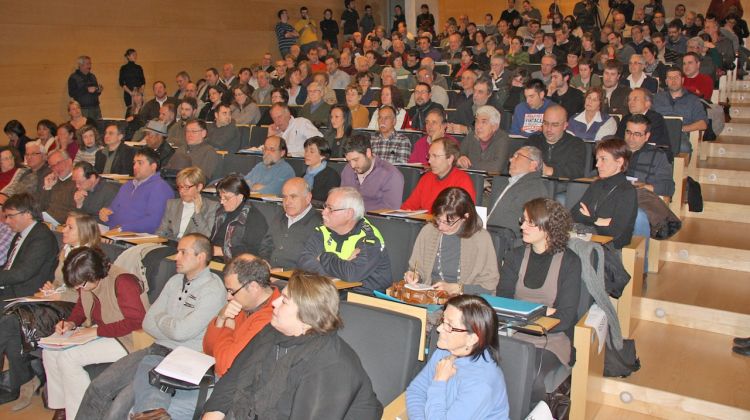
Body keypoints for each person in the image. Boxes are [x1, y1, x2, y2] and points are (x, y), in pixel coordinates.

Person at [76, 234, 225, 420]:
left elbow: (181, 333)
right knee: (98, 387)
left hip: (182, 357)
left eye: (182, 252)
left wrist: (162, 318)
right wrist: (170, 323)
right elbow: (147, 323)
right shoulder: (174, 281)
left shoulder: (213, 289)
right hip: (154, 349)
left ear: (201, 256)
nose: (176, 257)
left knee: (122, 404)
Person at [202, 271, 382, 419]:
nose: (274, 303)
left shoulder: (331, 364)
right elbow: (233, 379)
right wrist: (212, 414)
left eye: (285, 301)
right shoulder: (272, 331)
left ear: (307, 317)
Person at [43, 247, 148, 420]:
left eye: (81, 285)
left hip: (128, 339)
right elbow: (82, 306)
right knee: (50, 351)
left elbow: (136, 321)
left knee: (68, 358)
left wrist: (96, 331)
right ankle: (62, 408)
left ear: (96, 274)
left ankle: (83, 414)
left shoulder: (123, 281)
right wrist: (71, 323)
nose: (79, 288)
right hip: (103, 332)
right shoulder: (87, 279)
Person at [497, 197, 582, 404]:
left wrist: (522, 313)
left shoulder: (570, 262)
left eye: (530, 222)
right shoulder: (515, 256)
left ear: (548, 227)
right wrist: (542, 312)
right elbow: (503, 302)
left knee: (530, 376)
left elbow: (565, 317)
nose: (522, 226)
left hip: (550, 341)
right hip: (512, 334)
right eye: (523, 220)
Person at [406, 294, 509, 419]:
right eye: (443, 320)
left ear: (471, 339)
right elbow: (416, 391)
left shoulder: (481, 384)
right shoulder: (447, 351)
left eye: (449, 325)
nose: (439, 329)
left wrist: (439, 381)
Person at [0, 194, 58, 404]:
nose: (6, 221)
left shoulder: (41, 237)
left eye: (10, 216)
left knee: (5, 324)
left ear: (27, 214)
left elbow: (23, 273)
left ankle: (15, 383)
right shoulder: (22, 233)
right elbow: (9, 268)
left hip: (30, 296)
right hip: (12, 289)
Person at [404, 187, 499, 295]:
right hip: (429, 296)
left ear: (465, 217)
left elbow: (489, 285)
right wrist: (414, 275)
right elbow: (417, 268)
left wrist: (459, 289)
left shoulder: (481, 239)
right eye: (438, 219)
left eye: (448, 222)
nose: (440, 226)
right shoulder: (428, 231)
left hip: (465, 301)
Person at [298, 187, 391, 294]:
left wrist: (323, 257)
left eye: (330, 209)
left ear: (349, 214)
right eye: (325, 207)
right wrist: (341, 267)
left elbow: (351, 274)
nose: (323, 212)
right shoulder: (323, 230)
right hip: (331, 292)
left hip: (364, 300)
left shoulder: (369, 239)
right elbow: (304, 261)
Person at [572, 138, 638, 248]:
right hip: (587, 240)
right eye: (597, 159)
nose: (597, 164)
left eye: (603, 159)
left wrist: (589, 219)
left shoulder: (627, 191)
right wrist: (599, 221)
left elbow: (614, 232)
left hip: (609, 248)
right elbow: (574, 214)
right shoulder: (596, 184)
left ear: (619, 162)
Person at [100, 148, 175, 233]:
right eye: (134, 163)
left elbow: (154, 222)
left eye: (140, 163)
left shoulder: (160, 188)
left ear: (153, 166)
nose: (135, 167)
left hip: (137, 239)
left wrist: (122, 229)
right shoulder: (127, 185)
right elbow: (112, 209)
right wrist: (105, 212)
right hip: (113, 233)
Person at [487, 145, 549, 240]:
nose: (511, 159)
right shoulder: (507, 182)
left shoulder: (535, 190)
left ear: (533, 164)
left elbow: (528, 227)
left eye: (517, 156)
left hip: (503, 242)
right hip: (490, 236)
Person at [259, 178, 323, 269]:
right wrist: (265, 261)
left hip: (297, 279)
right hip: (270, 273)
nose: (287, 202)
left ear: (308, 198)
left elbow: (314, 263)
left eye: (293, 196)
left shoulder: (320, 223)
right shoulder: (280, 216)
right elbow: (266, 245)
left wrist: (283, 272)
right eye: (284, 197)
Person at [402, 139, 476, 211]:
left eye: (435, 156)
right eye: (429, 156)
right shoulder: (426, 178)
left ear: (450, 159)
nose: (430, 161)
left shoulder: (462, 181)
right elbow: (408, 206)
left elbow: (463, 214)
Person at [210, 175, 269, 261]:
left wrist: (221, 251)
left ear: (240, 196)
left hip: (234, 264)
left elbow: (252, 252)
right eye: (220, 197)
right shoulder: (221, 212)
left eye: (226, 198)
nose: (222, 202)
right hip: (212, 259)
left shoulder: (255, 219)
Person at [340, 134, 404, 211]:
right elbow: (342, 199)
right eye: (349, 161)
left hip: (376, 221)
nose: (352, 165)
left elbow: (390, 212)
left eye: (356, 160)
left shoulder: (390, 174)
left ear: (368, 153)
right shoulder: (347, 169)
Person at [652, 67, 708, 153]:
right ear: (666, 81)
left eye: (676, 77)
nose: (673, 80)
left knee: (683, 147)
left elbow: (703, 124)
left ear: (682, 80)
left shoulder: (693, 100)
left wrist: (680, 128)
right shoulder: (657, 98)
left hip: (681, 134)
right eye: (670, 78)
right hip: (659, 132)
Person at [156, 167, 219, 240]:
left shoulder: (212, 206)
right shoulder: (172, 204)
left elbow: (207, 236)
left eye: (186, 187)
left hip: (192, 248)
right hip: (171, 244)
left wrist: (198, 213)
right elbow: (161, 231)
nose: (181, 191)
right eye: (180, 187)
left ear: (199, 187)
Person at [527, 105, 587, 179]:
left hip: (562, 188)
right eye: (545, 123)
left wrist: (549, 171)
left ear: (565, 126)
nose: (549, 129)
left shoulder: (576, 144)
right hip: (532, 185)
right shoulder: (533, 140)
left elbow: (577, 172)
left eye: (554, 125)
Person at [615, 88, 672, 157]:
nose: (631, 102)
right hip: (627, 155)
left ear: (647, 103)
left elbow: (651, 143)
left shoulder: (656, 119)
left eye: (635, 99)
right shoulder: (626, 119)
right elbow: (618, 140)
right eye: (629, 100)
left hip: (652, 156)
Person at [457, 105, 511, 173]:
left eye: (484, 122)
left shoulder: (503, 139)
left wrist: (468, 164)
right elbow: (457, 156)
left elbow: (496, 167)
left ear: (495, 126)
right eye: (477, 121)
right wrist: (460, 159)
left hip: (492, 181)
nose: (478, 126)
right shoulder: (471, 136)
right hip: (472, 178)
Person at [40, 149, 77, 224]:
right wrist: (47, 188)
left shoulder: (78, 182)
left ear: (69, 161)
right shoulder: (53, 181)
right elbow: (42, 207)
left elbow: (75, 212)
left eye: (59, 163)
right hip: (47, 222)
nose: (56, 168)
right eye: (53, 166)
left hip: (63, 225)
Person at [303, 137, 341, 205]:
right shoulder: (304, 175)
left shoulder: (331, 176)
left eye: (312, 151)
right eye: (306, 151)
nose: (307, 154)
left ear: (322, 156)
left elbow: (331, 202)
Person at [67, 56, 103, 120]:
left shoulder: (92, 76)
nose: (90, 66)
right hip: (83, 109)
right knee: (85, 128)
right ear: (80, 65)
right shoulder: (73, 77)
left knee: (98, 127)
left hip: (96, 108)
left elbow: (96, 92)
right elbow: (71, 93)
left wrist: (98, 90)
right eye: (87, 64)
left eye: (90, 64)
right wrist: (86, 89)